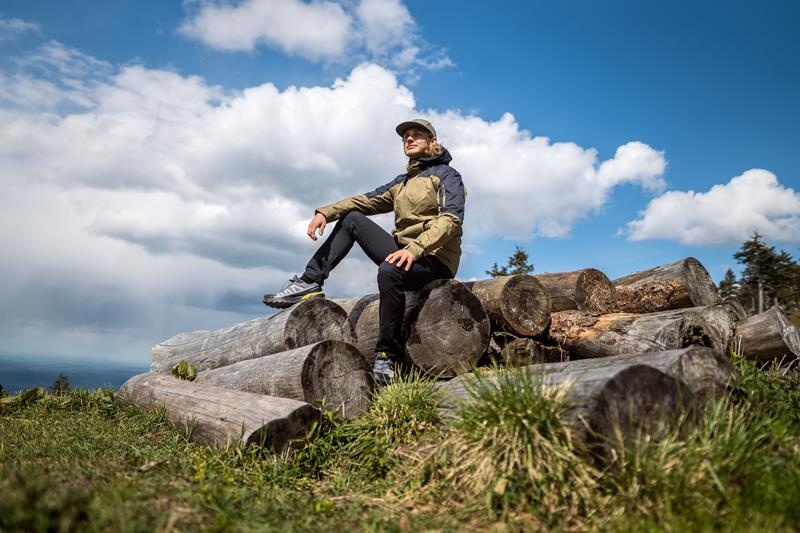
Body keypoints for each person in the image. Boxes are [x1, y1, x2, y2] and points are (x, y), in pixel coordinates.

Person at [263, 118, 465, 384]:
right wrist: (325, 212)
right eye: (405, 136)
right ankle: (310, 281)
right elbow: (364, 201)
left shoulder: (448, 175)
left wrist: (415, 250)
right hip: (405, 254)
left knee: (389, 270)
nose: (409, 139)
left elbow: (451, 220)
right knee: (352, 219)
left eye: (417, 134)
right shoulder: (403, 182)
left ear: (432, 141)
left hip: (434, 260)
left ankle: (386, 356)